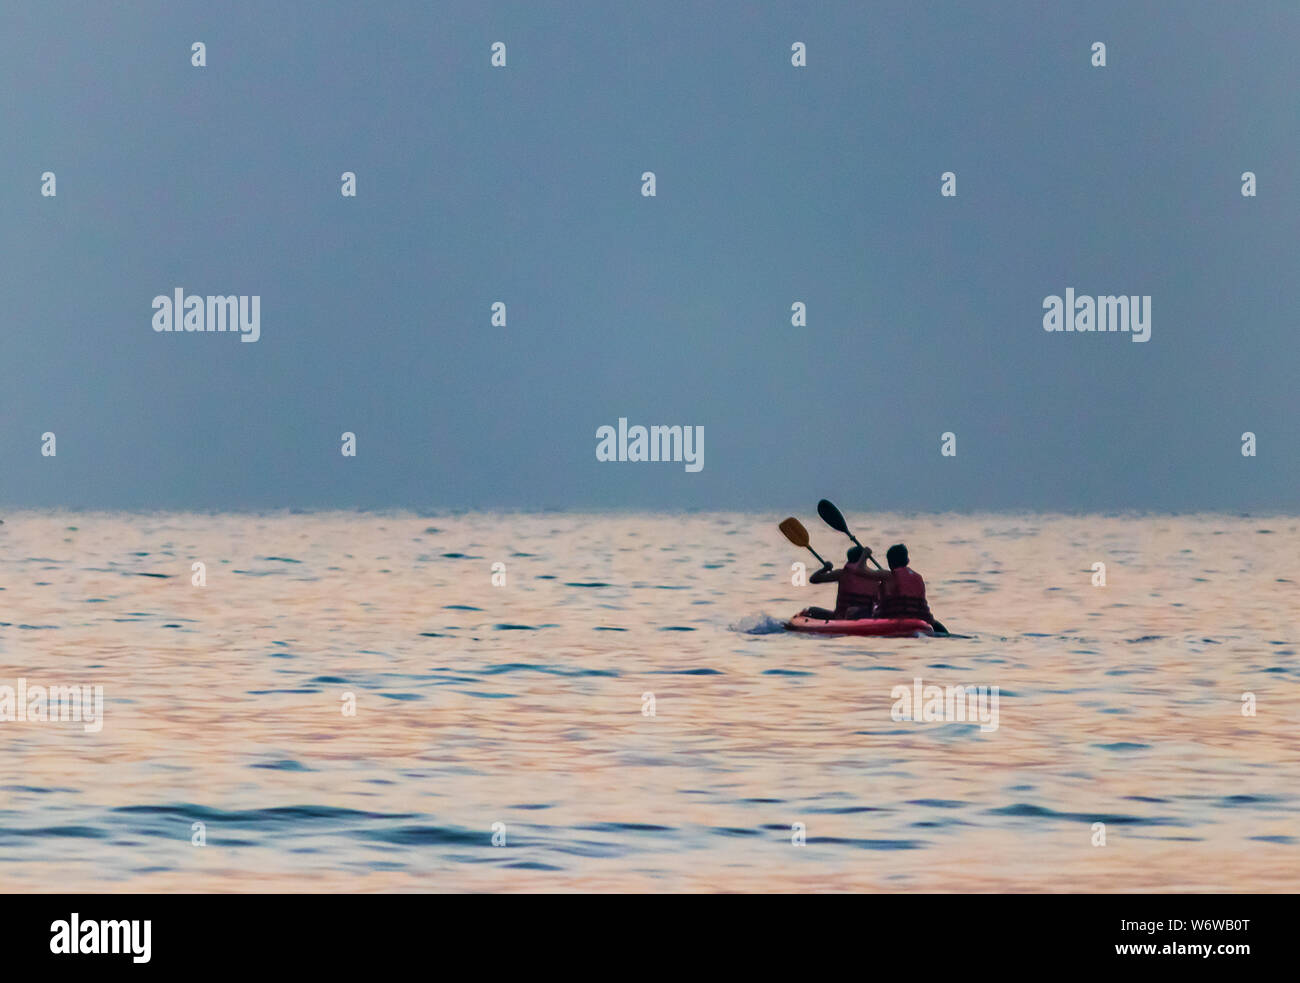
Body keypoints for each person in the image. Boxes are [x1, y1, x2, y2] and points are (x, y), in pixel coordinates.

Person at [855, 543, 946, 633]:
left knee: (854, 612)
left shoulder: (888, 575)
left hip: (893, 620)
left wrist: (865, 555)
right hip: (919, 619)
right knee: (935, 623)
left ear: (890, 563)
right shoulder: (918, 577)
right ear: (907, 560)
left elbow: (859, 570)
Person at [804, 546, 878, 620]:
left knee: (811, 610)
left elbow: (813, 579)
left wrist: (825, 569)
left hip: (841, 617)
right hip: (866, 618)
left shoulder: (841, 574)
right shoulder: (874, 576)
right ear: (865, 559)